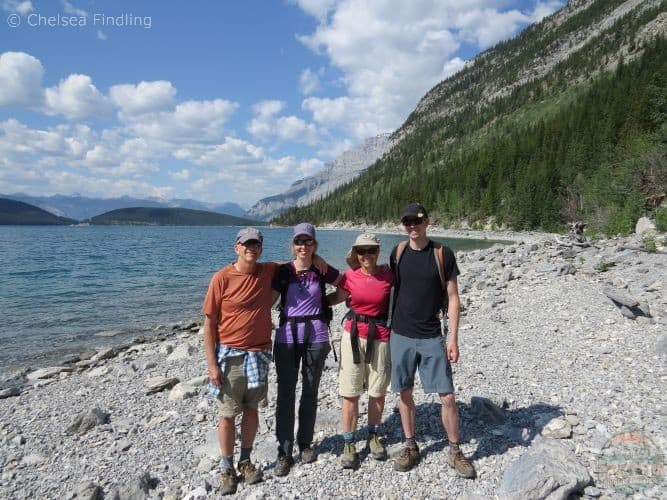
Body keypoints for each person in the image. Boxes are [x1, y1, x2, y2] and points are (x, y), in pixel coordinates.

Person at [389, 203, 476, 478]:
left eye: (417, 221)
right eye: (407, 222)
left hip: (431, 335)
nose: (412, 226)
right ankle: (410, 444)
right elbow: (387, 287)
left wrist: (453, 338)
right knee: (404, 391)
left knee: (447, 395)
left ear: (427, 222)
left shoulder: (442, 253)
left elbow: (452, 297)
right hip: (401, 334)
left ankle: (454, 449)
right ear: (403, 225)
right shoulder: (398, 253)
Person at [202, 227, 277, 495]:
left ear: (261, 248)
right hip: (230, 356)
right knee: (226, 415)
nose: (250, 248)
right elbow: (208, 325)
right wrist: (212, 365)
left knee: (252, 410)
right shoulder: (221, 278)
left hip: (259, 354)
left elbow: (300, 262)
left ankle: (245, 460)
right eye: (246, 244)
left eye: (255, 244)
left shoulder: (268, 271)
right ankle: (226, 467)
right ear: (236, 247)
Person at [271, 223, 341, 476]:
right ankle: (284, 450)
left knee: (310, 391)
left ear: (315, 245)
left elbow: (345, 286)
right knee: (286, 393)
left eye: (308, 242)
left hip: (317, 335)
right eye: (299, 242)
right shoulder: (282, 271)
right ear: (293, 245)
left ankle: (306, 444)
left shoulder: (321, 269)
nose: (303, 246)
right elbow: (266, 294)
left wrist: (325, 303)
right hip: (287, 338)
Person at [329, 232, 394, 469]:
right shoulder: (350, 277)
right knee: (350, 390)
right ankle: (348, 442)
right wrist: (311, 306)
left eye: (371, 250)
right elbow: (337, 297)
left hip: (382, 336)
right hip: (353, 336)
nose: (367, 255)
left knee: (377, 390)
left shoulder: (389, 274)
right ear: (356, 254)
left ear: (378, 252)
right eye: (362, 251)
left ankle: (374, 435)